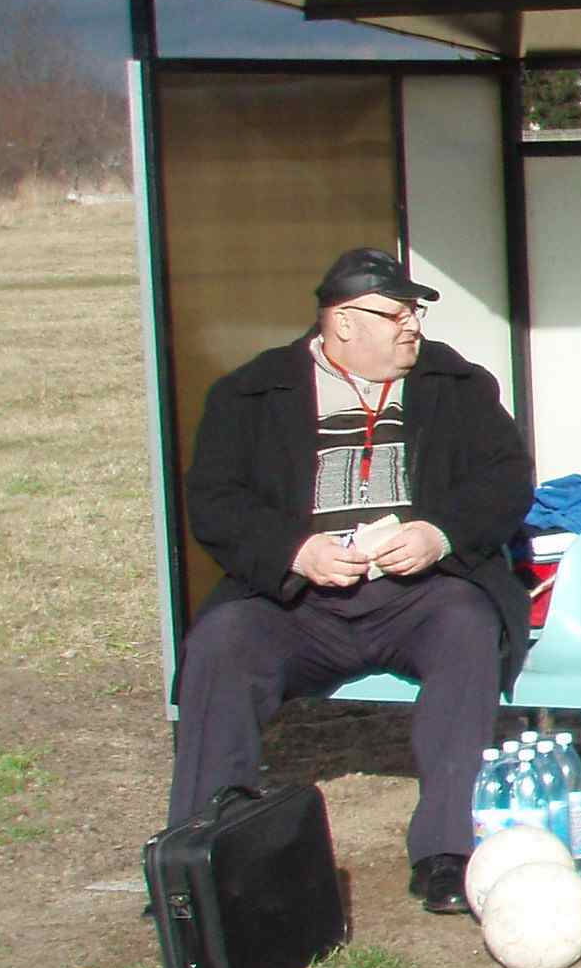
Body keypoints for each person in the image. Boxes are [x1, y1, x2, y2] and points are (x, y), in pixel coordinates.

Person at [168, 248, 536, 916]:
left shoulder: (456, 386)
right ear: (342, 323)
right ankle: (203, 856)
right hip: (296, 601)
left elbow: (507, 478)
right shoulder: (251, 393)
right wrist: (295, 551)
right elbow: (215, 501)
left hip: (418, 595)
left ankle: (448, 853)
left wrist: (439, 535)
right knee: (221, 642)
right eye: (395, 314)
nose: (411, 327)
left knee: (467, 626)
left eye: (414, 313)